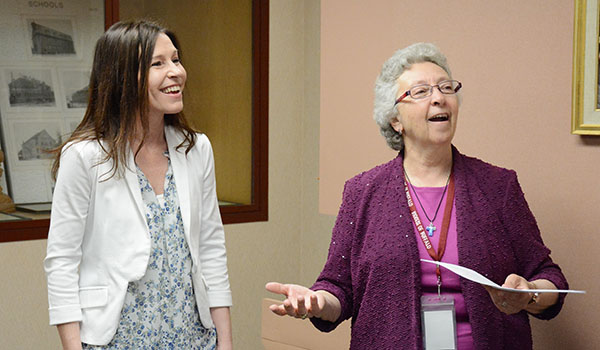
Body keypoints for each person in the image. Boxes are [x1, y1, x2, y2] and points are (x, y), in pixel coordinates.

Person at [266, 42, 568, 349]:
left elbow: (550, 278)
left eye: (446, 88)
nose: (438, 98)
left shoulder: (498, 186)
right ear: (395, 119)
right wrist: (315, 301)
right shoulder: (362, 192)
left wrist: (529, 292)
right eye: (421, 92)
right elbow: (339, 288)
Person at [44, 20, 232, 350]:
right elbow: (61, 263)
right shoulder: (86, 156)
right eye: (158, 63)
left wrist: (225, 342)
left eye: (175, 59)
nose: (175, 71)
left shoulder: (196, 149)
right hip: (115, 340)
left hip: (192, 337)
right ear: (121, 78)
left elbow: (212, 251)